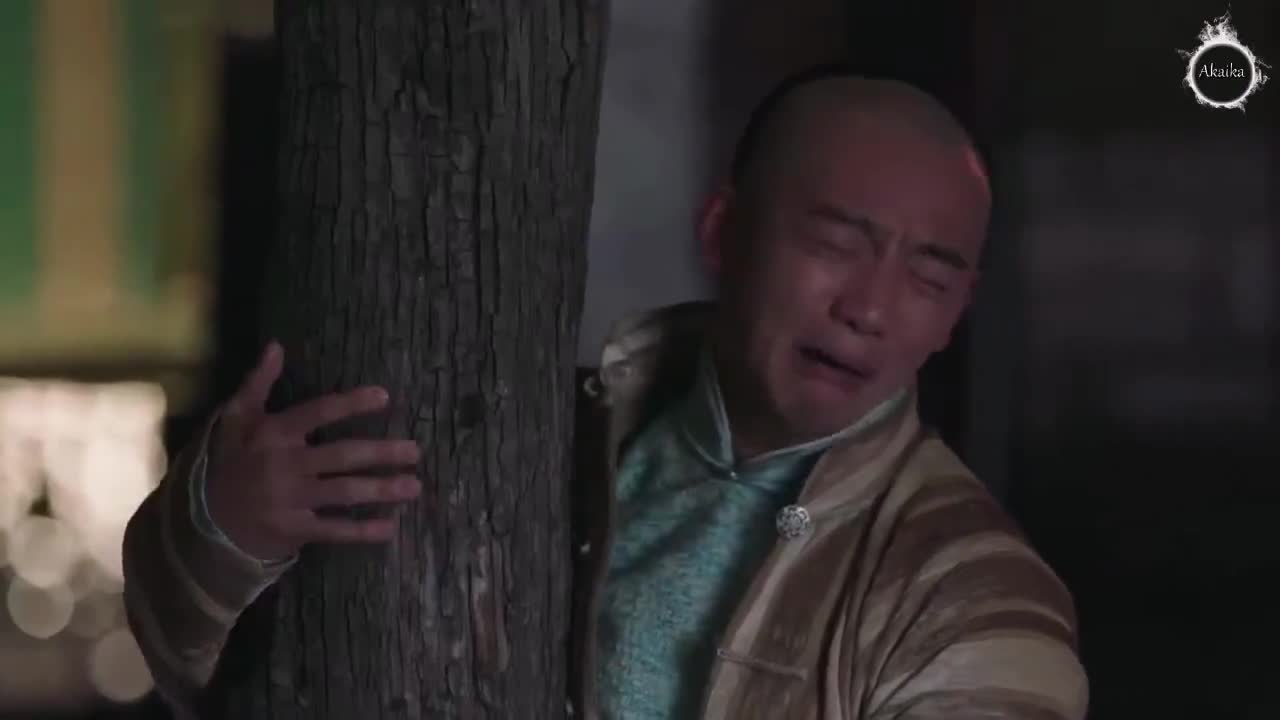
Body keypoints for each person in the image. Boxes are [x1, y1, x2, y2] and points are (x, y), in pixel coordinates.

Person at [123, 67, 1088, 719]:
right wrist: (226, 524)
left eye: (927, 278)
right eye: (836, 244)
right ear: (723, 233)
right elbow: (195, 673)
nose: (869, 309)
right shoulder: (548, 437)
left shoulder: (972, 596)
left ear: (958, 315)